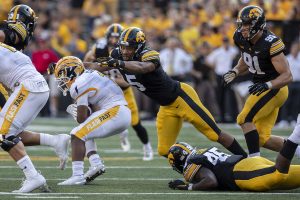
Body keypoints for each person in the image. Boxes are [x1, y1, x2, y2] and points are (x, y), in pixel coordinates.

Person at [86, 26, 247, 158]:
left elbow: (144, 67)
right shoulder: (117, 54)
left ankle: (245, 159)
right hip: (166, 106)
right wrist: (77, 65)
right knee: (164, 150)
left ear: (139, 46)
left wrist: (119, 63)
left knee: (214, 134)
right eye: (123, 47)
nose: (126, 51)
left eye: (130, 47)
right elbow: (100, 65)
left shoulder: (149, 54)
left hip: (181, 97)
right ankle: (197, 162)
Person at [0, 4, 70, 193]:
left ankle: (33, 177)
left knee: (4, 132)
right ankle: (55, 141)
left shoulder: (9, 33)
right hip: (31, 87)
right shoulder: (15, 41)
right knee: (10, 132)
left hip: (29, 87)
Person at [223, 5, 297, 157]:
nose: (243, 28)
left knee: (243, 118)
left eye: (247, 24)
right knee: (263, 138)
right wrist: (236, 71)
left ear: (258, 24)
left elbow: (287, 76)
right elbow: (247, 57)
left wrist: (267, 85)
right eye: (241, 24)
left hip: (275, 87)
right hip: (263, 87)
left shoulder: (270, 42)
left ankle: (253, 160)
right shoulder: (240, 37)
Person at [50, 56, 131, 185]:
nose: (62, 81)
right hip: (119, 110)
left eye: (63, 76)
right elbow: (85, 119)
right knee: (84, 130)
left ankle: (77, 175)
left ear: (72, 72)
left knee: (77, 134)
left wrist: (75, 112)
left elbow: (81, 118)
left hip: (116, 111)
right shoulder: (88, 74)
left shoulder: (79, 84)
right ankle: (96, 163)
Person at [84, 23, 153, 160]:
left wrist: (111, 78)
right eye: (112, 38)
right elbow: (88, 62)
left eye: (117, 38)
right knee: (98, 115)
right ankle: (121, 132)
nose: (114, 41)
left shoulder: (127, 54)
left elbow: (127, 83)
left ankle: (147, 147)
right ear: (107, 38)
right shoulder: (99, 48)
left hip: (124, 90)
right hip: (107, 91)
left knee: (135, 122)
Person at [167, 142, 300, 191]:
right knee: (288, 175)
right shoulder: (202, 151)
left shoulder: (190, 164)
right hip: (249, 163)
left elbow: (210, 181)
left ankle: (294, 139)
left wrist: (189, 187)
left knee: (279, 174)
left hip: (242, 174)